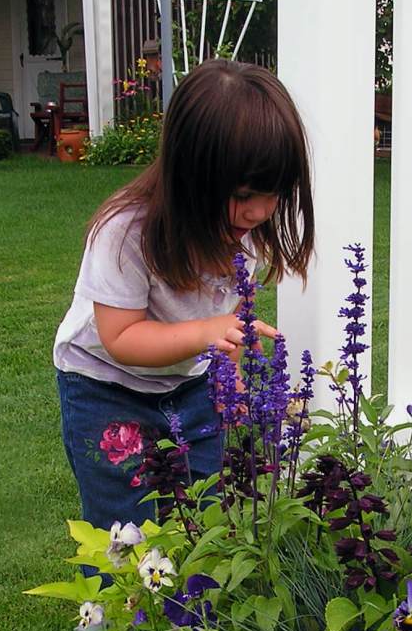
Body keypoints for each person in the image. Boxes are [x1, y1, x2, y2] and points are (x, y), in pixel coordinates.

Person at [54, 60, 314, 531]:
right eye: (244, 194)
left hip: (192, 383)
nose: (259, 211)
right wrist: (205, 332)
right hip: (105, 387)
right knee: (125, 530)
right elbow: (121, 337)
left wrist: (231, 374)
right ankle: (127, 578)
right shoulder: (125, 233)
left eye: (274, 193)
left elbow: (229, 313)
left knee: (210, 512)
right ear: (189, 176)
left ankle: (195, 581)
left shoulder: (245, 232)